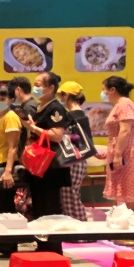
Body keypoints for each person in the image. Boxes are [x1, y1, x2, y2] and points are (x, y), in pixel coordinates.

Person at [25, 71, 71, 254]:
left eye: (39, 85)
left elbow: (57, 136)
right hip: (38, 166)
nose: (35, 88)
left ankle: (53, 248)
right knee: (39, 206)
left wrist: (33, 128)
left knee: (50, 207)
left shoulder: (56, 108)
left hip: (51, 166)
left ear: (51, 88)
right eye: (34, 84)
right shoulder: (39, 107)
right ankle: (42, 245)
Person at [0, 86, 22, 259]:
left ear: (11, 100)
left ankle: (8, 247)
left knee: (6, 208)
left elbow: (13, 147)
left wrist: (8, 171)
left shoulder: (11, 118)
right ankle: (3, 244)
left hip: (5, 167)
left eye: (3, 98)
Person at [99, 76, 134, 206]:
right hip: (118, 150)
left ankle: (127, 218)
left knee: (125, 187)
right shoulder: (118, 105)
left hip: (125, 151)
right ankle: (120, 216)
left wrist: (118, 154)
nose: (103, 93)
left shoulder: (125, 104)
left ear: (112, 90)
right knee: (118, 187)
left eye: (104, 90)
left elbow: (125, 130)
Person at [56, 81, 91, 221]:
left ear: (67, 95)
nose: (60, 98)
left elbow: (79, 138)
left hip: (74, 159)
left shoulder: (75, 114)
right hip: (76, 159)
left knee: (70, 196)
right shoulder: (75, 113)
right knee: (70, 195)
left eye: (61, 95)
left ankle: (80, 229)